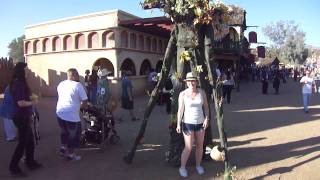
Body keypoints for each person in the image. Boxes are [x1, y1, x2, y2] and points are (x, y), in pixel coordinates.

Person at [9, 62, 42, 177]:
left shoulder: (20, 83)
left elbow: (23, 98)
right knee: (22, 144)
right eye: (25, 69)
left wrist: (30, 97)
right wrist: (32, 102)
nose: (27, 71)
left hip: (23, 116)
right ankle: (13, 167)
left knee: (30, 142)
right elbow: (20, 103)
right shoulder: (18, 83)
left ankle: (30, 162)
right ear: (21, 71)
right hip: (20, 117)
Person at [176, 72, 209, 177]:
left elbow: (206, 108)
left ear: (196, 82)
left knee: (200, 145)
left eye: (193, 80)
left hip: (200, 123)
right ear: (186, 82)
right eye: (189, 81)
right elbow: (180, 110)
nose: (191, 83)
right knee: (189, 147)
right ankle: (182, 168)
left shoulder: (202, 92)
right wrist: (178, 124)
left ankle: (198, 165)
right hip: (187, 123)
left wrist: (206, 119)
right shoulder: (183, 94)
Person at [56, 68, 88, 160]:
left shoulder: (61, 84)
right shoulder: (78, 85)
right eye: (77, 74)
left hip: (60, 112)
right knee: (73, 135)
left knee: (64, 131)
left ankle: (63, 148)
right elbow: (84, 100)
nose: (78, 76)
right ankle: (70, 154)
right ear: (73, 75)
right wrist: (82, 107)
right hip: (71, 115)